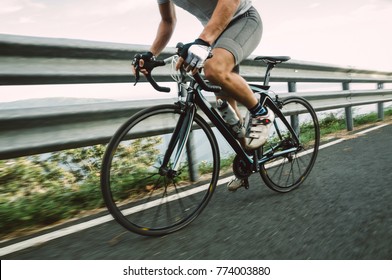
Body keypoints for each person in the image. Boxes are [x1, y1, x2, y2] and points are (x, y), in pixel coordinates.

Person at [133, 0, 274, 191]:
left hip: (242, 19)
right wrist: (151, 54)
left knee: (213, 70)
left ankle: (261, 113)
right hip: (217, 32)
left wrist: (203, 41)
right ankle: (247, 159)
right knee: (224, 106)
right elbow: (167, 20)